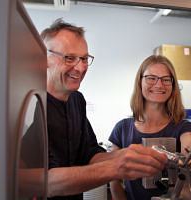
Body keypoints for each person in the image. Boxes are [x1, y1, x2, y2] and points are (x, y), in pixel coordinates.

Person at [41, 19, 167, 200]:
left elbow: (90, 154)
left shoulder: (77, 101)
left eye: (84, 58)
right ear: (44, 58)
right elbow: (47, 182)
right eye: (70, 58)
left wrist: (125, 155)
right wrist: (116, 167)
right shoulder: (31, 106)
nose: (81, 67)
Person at [109, 55, 191, 200]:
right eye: (151, 78)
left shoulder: (183, 127)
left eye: (165, 79)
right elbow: (114, 178)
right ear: (140, 82)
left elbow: (190, 146)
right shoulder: (122, 129)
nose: (159, 85)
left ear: (173, 85)